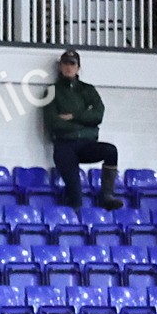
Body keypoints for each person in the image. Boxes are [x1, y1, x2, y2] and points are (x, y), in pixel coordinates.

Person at [42, 49, 124, 210]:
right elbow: (54, 122)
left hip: (85, 143)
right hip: (64, 145)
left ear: (78, 68)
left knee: (110, 151)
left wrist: (73, 116)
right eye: (65, 64)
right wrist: (86, 122)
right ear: (60, 66)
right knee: (75, 194)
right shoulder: (52, 91)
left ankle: (107, 195)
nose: (68, 67)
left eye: (72, 64)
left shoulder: (88, 90)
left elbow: (98, 115)